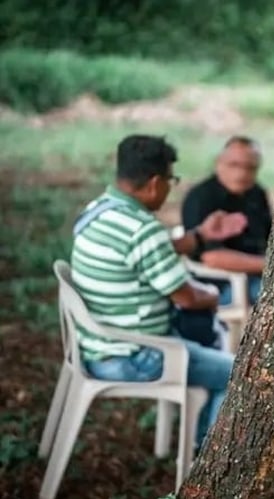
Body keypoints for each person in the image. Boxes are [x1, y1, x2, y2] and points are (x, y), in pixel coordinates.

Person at [71, 135, 246, 448]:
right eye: (170, 180)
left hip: (97, 346)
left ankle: (199, 438)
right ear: (154, 183)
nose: (170, 187)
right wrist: (212, 296)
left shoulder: (99, 210)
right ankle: (205, 461)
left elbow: (150, 250)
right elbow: (187, 298)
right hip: (135, 357)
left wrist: (201, 236)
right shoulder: (142, 229)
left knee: (213, 349)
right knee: (240, 374)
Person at [181, 136, 271, 305]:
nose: (242, 174)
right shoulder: (201, 197)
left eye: (250, 168)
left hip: (260, 274)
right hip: (219, 284)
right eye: (234, 165)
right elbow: (212, 257)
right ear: (218, 163)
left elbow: (270, 238)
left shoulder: (256, 193)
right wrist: (268, 265)